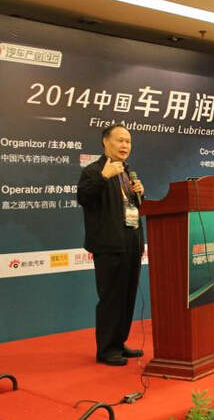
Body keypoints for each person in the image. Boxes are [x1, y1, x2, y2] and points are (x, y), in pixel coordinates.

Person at [77, 124, 145, 366]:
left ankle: (119, 342)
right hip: (109, 245)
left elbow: (132, 208)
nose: (125, 145)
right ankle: (106, 349)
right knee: (111, 298)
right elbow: (84, 197)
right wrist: (103, 177)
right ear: (106, 142)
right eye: (120, 140)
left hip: (131, 242)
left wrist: (140, 193)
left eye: (128, 141)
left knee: (127, 297)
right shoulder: (94, 171)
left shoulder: (127, 172)